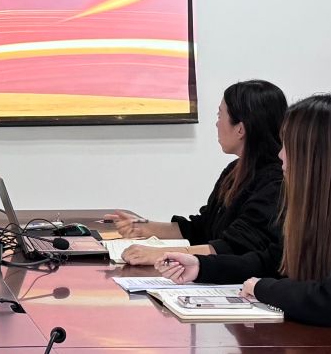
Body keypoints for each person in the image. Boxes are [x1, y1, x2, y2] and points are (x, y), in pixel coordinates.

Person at [156, 93, 331, 354]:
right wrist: (202, 267)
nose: (280, 155)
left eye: (288, 145)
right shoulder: (330, 201)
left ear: (317, 153)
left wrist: (263, 289)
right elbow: (273, 260)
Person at [110, 79, 286, 283]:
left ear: (240, 129)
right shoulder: (235, 170)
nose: (217, 123)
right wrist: (144, 226)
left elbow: (234, 247)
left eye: (220, 115)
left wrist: (160, 255)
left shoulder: (275, 181)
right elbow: (204, 227)